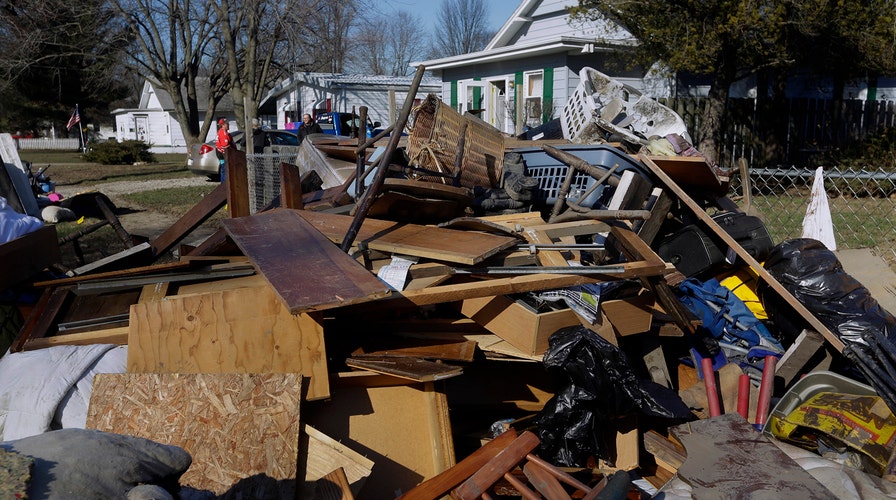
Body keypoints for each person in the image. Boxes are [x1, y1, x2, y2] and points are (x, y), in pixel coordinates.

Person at [215, 118, 233, 182]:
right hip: (223, 153)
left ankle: (223, 184)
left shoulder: (221, 132)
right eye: (227, 124)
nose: (228, 125)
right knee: (225, 169)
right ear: (223, 125)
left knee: (223, 169)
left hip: (220, 153)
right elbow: (225, 145)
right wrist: (230, 146)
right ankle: (225, 184)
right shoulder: (223, 132)